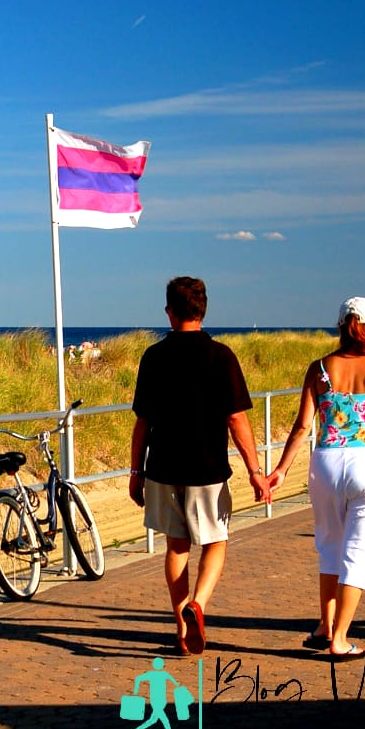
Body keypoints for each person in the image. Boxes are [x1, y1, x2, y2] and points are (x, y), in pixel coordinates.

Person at [128, 276, 268, 656]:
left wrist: (135, 472)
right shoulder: (221, 356)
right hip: (207, 469)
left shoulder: (153, 357)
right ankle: (199, 605)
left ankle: (180, 629)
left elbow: (143, 423)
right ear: (203, 310)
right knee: (215, 542)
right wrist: (256, 471)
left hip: (161, 468)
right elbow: (237, 419)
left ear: (170, 312)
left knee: (176, 548)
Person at [267, 296, 365, 662]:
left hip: (326, 462)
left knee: (329, 544)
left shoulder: (319, 368)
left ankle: (325, 625)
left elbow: (302, 427)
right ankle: (341, 638)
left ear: (341, 325)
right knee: (361, 551)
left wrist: (281, 470)